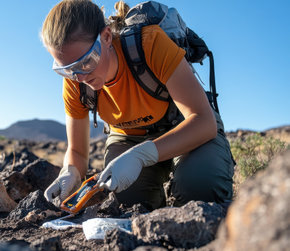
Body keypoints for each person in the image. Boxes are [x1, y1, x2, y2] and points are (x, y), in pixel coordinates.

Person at [41, 0, 234, 210]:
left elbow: (204, 122)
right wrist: (69, 172)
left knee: (201, 188)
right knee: (129, 203)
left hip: (184, 125)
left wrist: (142, 155)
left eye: (86, 61)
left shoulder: (149, 43)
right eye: (66, 69)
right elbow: (77, 152)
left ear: (106, 37)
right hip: (128, 137)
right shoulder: (75, 81)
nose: (79, 77)